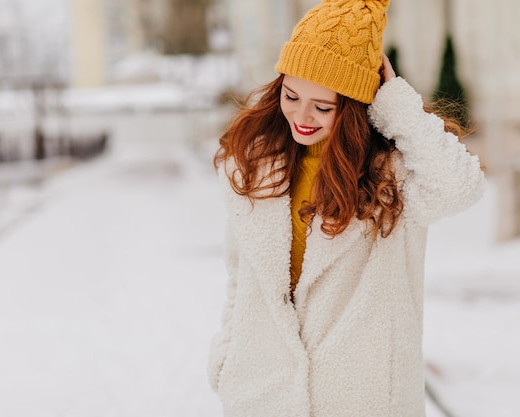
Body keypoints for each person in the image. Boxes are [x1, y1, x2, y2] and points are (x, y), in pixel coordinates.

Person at [207, 0, 486, 416]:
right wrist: (227, 358)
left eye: (322, 106)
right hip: (262, 394)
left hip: (363, 399)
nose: (301, 116)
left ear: (354, 107)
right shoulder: (256, 165)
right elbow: (240, 276)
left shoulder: (391, 176)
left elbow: (460, 187)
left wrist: (396, 103)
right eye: (291, 95)